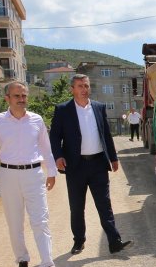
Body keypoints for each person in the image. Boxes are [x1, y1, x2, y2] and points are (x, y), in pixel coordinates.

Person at [0, 81, 59, 267]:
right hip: (9, 175)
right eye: (17, 96)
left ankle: (47, 265)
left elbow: (46, 148)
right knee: (14, 221)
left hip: (34, 174)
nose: (21, 99)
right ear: (7, 98)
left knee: (40, 220)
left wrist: (51, 172)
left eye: (24, 96)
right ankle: (22, 259)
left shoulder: (36, 120)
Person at [49, 74, 132, 256]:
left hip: (98, 164)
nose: (84, 89)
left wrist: (113, 158)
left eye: (86, 86)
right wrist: (58, 156)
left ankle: (114, 242)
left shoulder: (98, 107)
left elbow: (106, 134)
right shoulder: (63, 110)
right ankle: (79, 241)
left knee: (104, 205)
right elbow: (54, 136)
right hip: (75, 166)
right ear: (72, 89)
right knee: (77, 206)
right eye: (80, 86)